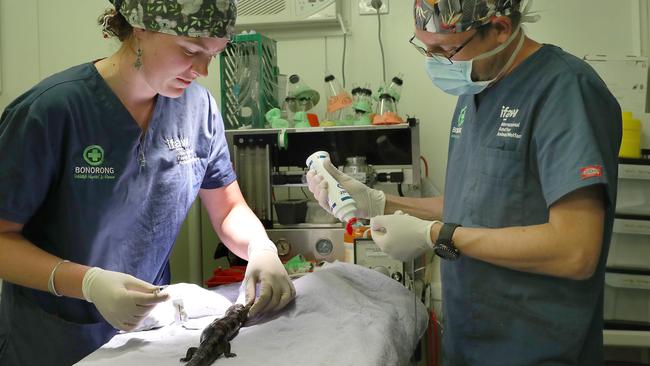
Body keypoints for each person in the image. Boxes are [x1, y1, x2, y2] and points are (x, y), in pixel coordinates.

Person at [307, 0, 622, 364]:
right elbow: (476, 203)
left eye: (446, 49)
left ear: (501, 28)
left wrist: (437, 236)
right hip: (470, 341)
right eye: (426, 48)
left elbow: (575, 250)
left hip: (536, 346)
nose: (436, 61)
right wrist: (378, 202)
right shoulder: (475, 89)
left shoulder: (566, 90)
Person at [0, 1, 295, 364]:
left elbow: (229, 208)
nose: (202, 70)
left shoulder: (198, 110)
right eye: (190, 50)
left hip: (148, 334)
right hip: (54, 339)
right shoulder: (51, 112)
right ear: (140, 28)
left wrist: (260, 247)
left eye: (215, 54)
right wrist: (88, 283)